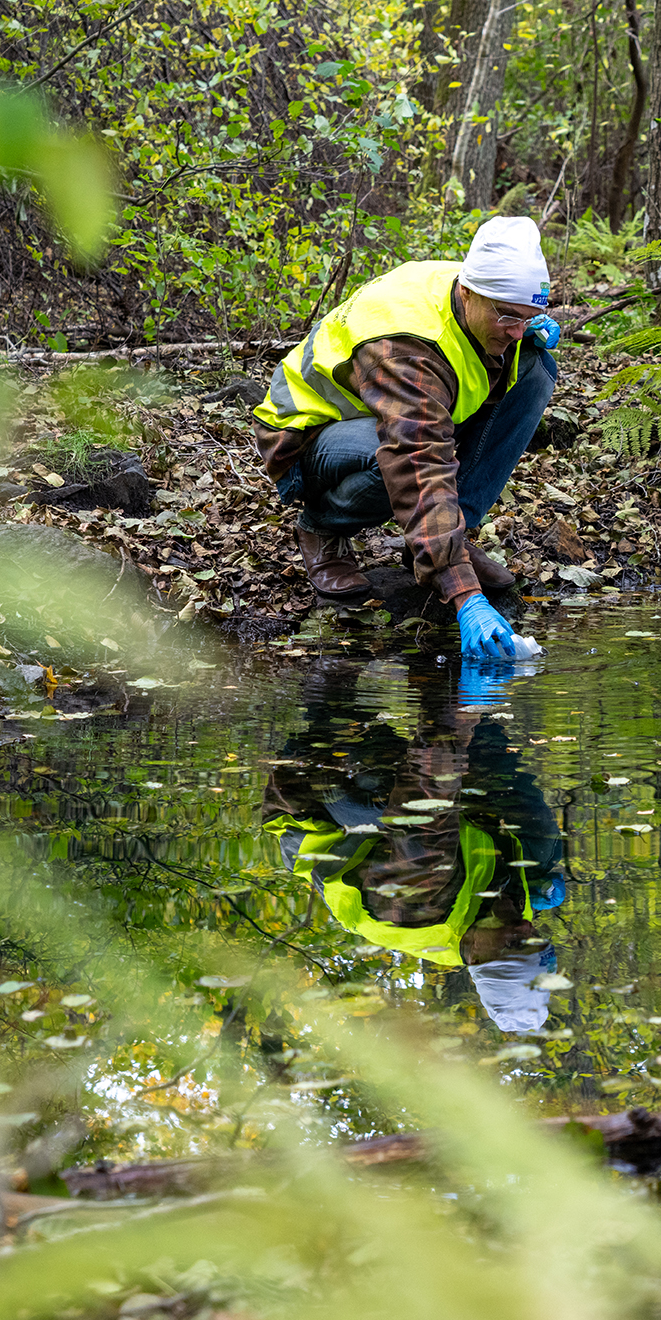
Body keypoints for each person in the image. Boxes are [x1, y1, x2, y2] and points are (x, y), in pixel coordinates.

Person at [252, 216, 561, 661]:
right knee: (391, 460)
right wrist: (463, 595)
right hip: (308, 439)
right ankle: (320, 527)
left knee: (534, 367)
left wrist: (520, 330)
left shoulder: (482, 288)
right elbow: (417, 459)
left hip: (381, 421)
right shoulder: (407, 346)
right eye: (506, 316)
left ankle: (452, 533)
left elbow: (500, 341)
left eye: (527, 316)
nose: (515, 329)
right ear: (469, 293)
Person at [261, 663, 567, 1033]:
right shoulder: (508, 918)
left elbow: (423, 808)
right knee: (542, 850)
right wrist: (479, 707)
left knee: (382, 780)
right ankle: (482, 717)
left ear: (476, 956)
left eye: (515, 943)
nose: (525, 927)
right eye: (535, 940)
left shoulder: (421, 909)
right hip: (411, 831)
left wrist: (453, 715)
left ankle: (332, 688)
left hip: (318, 806)